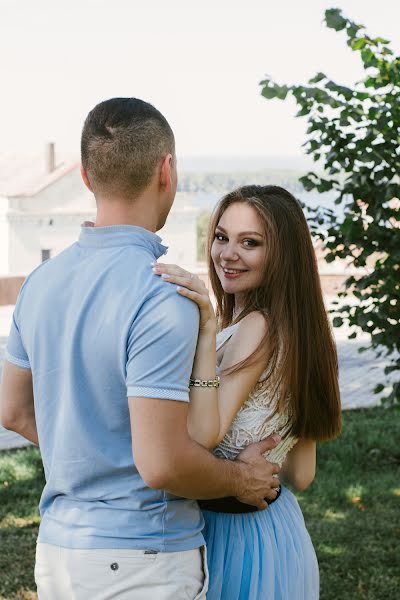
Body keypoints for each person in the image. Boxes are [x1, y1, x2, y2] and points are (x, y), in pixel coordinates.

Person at [0, 100, 281, 599]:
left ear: (86, 177)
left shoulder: (39, 283)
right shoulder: (163, 296)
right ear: (166, 171)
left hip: (59, 554)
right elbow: (161, 465)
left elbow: (13, 411)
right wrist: (241, 481)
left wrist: (90, 457)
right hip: (143, 560)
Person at [153, 184, 342, 600]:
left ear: (282, 255)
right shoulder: (303, 332)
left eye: (250, 243)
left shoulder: (256, 327)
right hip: (276, 532)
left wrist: (205, 330)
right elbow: (301, 475)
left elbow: (206, 434)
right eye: (221, 237)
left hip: (229, 536)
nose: (227, 254)